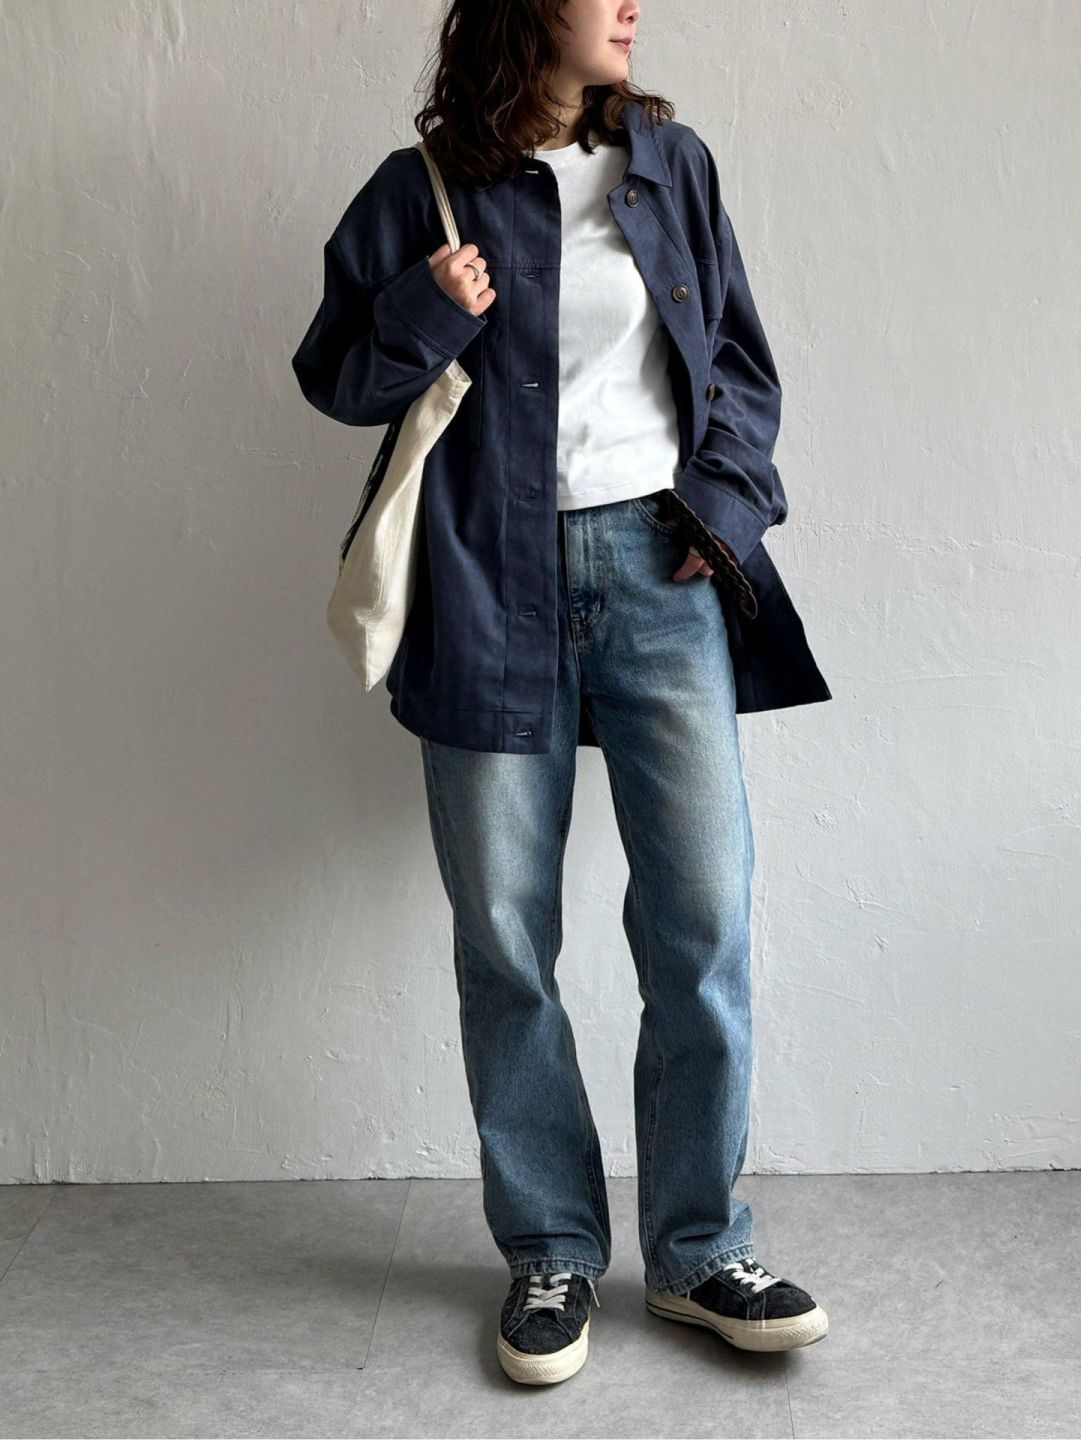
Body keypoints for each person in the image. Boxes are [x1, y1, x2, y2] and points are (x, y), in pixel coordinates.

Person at [292, 0, 832, 1387]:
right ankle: (550, 1248)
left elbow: (741, 368)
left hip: (663, 571)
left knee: (703, 919)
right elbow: (334, 375)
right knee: (505, 935)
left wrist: (722, 508)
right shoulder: (419, 189)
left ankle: (699, 1249)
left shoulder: (671, 166)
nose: (632, 5)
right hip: (486, 579)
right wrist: (428, 306)